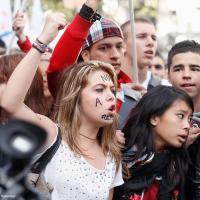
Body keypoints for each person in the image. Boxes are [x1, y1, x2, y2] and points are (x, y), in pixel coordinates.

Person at [1, 12, 123, 200]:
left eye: (112, 91)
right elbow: (10, 103)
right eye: (99, 89)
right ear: (76, 97)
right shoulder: (51, 135)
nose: (110, 97)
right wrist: (42, 40)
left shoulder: (112, 156)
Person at [113, 85, 193, 200]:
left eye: (189, 119)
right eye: (180, 116)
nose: (187, 126)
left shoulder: (179, 166)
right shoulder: (117, 156)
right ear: (154, 117)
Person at [167, 40, 200, 199]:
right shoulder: (153, 117)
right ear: (168, 75)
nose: (186, 74)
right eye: (179, 69)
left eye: (195, 69)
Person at [121, 18, 168, 90]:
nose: (151, 42)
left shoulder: (166, 89)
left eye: (154, 38)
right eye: (142, 36)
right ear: (122, 44)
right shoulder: (107, 86)